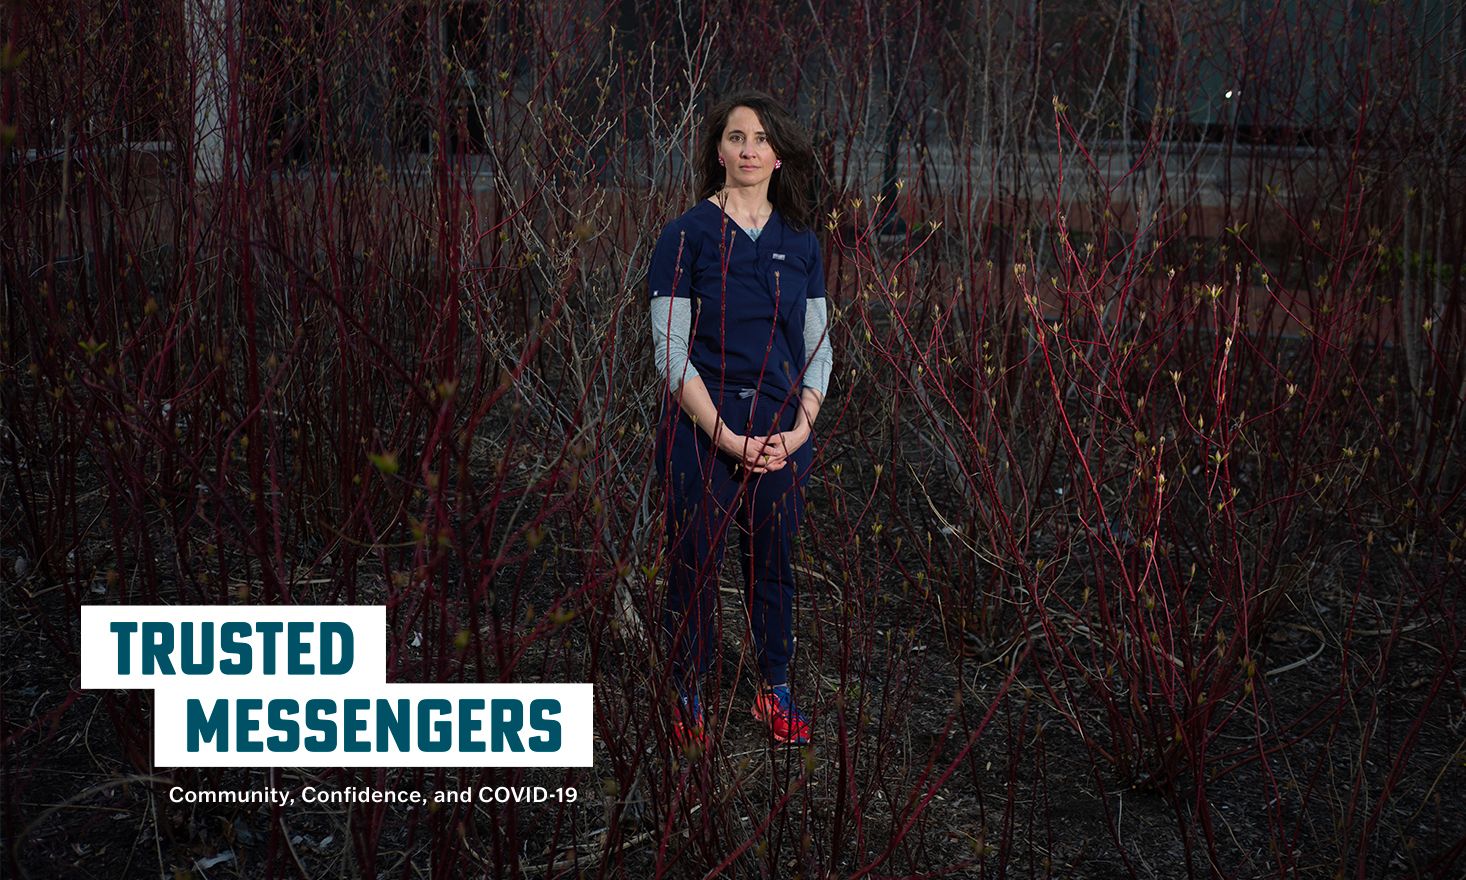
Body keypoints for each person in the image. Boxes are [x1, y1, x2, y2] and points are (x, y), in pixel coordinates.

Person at [647, 90, 833, 748]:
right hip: (705, 425)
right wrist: (723, 435)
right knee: (694, 556)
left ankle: (773, 690)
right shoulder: (685, 235)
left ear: (779, 155)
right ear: (717, 151)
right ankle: (690, 694)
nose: (748, 149)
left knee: (773, 559)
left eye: (759, 138)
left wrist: (800, 429)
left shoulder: (800, 242)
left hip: (783, 430)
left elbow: (818, 345)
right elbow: (670, 351)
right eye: (735, 137)